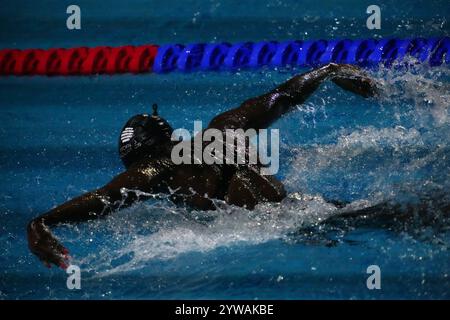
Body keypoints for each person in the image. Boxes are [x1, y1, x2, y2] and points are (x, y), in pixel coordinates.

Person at [27, 63, 381, 268]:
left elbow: (108, 197)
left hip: (284, 232)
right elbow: (282, 96)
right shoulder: (225, 127)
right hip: (309, 210)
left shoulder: (161, 165)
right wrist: (331, 71)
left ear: (143, 154)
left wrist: (43, 221)